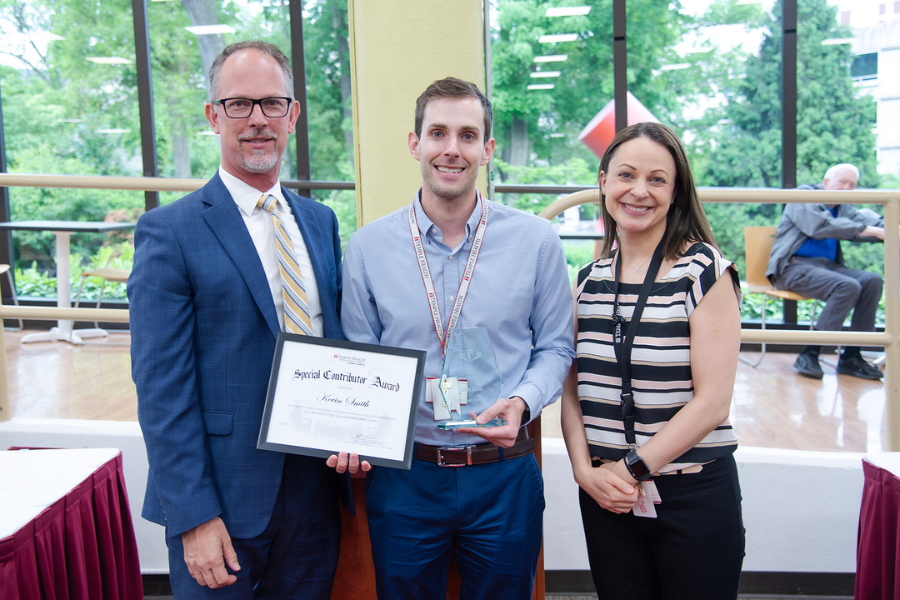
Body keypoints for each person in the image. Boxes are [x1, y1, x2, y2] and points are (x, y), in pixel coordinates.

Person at [336, 77, 574, 600]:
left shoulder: (536, 242)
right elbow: (359, 358)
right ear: (414, 143)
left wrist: (522, 400)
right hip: (406, 477)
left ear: (487, 149)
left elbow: (557, 346)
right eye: (438, 132)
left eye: (468, 135)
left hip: (503, 474)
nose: (451, 148)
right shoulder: (367, 248)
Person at [130, 41, 345, 599]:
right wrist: (193, 516)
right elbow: (160, 390)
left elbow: (336, 344)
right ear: (213, 116)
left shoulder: (320, 222)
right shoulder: (169, 232)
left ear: (293, 115)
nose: (257, 120)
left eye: (272, 104)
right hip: (221, 502)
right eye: (238, 105)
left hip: (316, 490)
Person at [560, 122, 745, 599]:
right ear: (603, 182)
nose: (638, 191)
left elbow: (713, 404)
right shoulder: (585, 281)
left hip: (691, 497)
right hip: (606, 498)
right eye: (625, 175)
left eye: (657, 179)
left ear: (675, 191)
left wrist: (627, 471)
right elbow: (571, 390)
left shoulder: (704, 272)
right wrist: (585, 472)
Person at [766, 163, 885, 380]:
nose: (847, 189)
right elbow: (820, 226)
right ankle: (809, 353)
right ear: (826, 182)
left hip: (829, 268)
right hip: (793, 267)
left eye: (852, 185)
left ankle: (851, 356)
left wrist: (885, 226)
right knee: (847, 285)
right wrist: (874, 231)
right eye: (842, 182)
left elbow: (871, 220)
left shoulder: (845, 208)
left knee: (872, 281)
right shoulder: (803, 196)